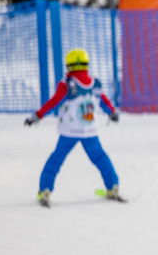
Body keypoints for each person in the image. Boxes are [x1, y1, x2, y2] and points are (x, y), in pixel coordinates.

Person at [25, 48, 122, 207]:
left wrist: (38, 115)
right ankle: (113, 187)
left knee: (56, 160)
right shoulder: (95, 83)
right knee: (100, 158)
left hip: (69, 131)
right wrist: (112, 112)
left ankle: (45, 190)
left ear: (69, 66)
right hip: (90, 131)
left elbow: (54, 102)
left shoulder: (67, 84)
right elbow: (103, 100)